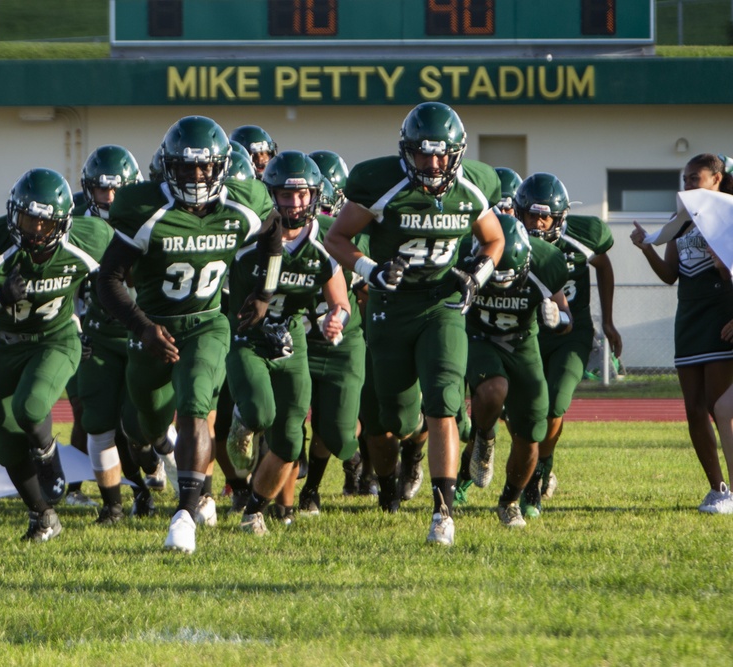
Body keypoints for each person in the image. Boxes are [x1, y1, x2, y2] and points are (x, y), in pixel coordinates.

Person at [98, 115, 283, 554]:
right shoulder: (146, 209)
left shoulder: (243, 202)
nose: (196, 176)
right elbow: (108, 280)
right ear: (168, 166)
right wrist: (142, 326)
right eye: (185, 167)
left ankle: (185, 512)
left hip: (206, 322)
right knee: (144, 424)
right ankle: (161, 450)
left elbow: (273, 232)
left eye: (204, 167)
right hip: (153, 328)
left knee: (196, 404)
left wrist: (264, 291)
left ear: (221, 166)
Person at [325, 102, 504, 546]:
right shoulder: (380, 182)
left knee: (444, 400)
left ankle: (443, 513)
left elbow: (495, 239)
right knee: (391, 422)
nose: (433, 162)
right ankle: (388, 485)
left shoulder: (474, 185)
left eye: (441, 153)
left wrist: (476, 275)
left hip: (442, 303)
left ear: (457, 152)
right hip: (391, 306)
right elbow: (336, 237)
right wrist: (371, 271)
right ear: (406, 151)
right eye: (423, 153)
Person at [0, 168, 113, 542]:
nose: (35, 230)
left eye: (45, 222)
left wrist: (105, 325)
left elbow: (123, 277)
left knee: (30, 407)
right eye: (28, 219)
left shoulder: (89, 239)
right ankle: (43, 517)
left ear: (62, 223)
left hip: (55, 338)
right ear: (13, 214)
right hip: (4, 345)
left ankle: (46, 450)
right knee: (6, 442)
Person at [226, 151, 352, 533]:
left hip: (291, 337)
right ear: (270, 194)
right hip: (247, 337)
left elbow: (341, 301)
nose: (295, 203)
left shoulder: (324, 239)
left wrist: (337, 320)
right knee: (261, 413)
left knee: (290, 440)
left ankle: (254, 510)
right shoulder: (247, 235)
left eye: (302, 195)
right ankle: (242, 420)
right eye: (285, 194)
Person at [631, 153, 733, 514]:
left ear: (717, 179)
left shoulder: (727, 217)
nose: (688, 185)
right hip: (688, 319)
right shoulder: (682, 220)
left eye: (695, 179)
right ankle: (718, 489)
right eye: (686, 179)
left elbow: (730, 272)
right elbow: (670, 274)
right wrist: (646, 248)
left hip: (721, 319)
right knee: (694, 410)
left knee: (721, 409)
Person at [453, 214, 571, 526]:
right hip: (479, 337)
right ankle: (484, 437)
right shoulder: (464, 252)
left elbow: (566, 319)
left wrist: (557, 320)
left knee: (531, 431)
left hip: (522, 342)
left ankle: (509, 500)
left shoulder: (546, 261)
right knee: (494, 388)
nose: (503, 287)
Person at [516, 172, 621, 516]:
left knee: (555, 403)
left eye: (545, 215)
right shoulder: (511, 240)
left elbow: (603, 266)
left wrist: (607, 319)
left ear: (561, 216)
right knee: (521, 410)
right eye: (531, 214)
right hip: (526, 331)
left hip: (572, 333)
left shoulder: (583, 236)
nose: (538, 222)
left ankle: (537, 473)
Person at [73, 144, 165, 523]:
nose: (109, 198)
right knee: (96, 420)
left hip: (141, 331)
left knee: (139, 424)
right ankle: (114, 505)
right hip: (96, 331)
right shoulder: (74, 219)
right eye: (101, 189)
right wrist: (73, 327)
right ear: (87, 189)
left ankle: (157, 470)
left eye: (117, 189)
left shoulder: (151, 216)